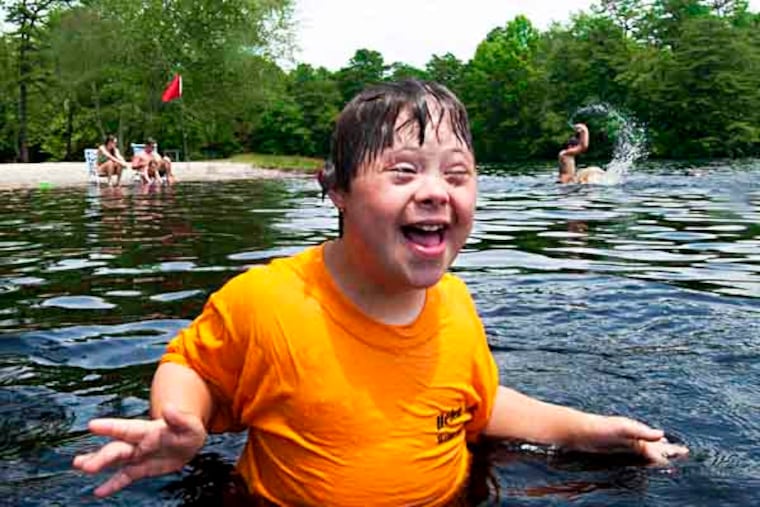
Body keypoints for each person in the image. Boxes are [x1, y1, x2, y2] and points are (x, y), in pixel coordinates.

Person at [73, 80, 687, 505]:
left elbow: (476, 405)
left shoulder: (456, 305)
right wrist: (179, 421)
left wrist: (584, 430)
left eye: (456, 174)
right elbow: (192, 368)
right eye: (403, 171)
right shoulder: (269, 301)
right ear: (335, 189)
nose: (434, 192)